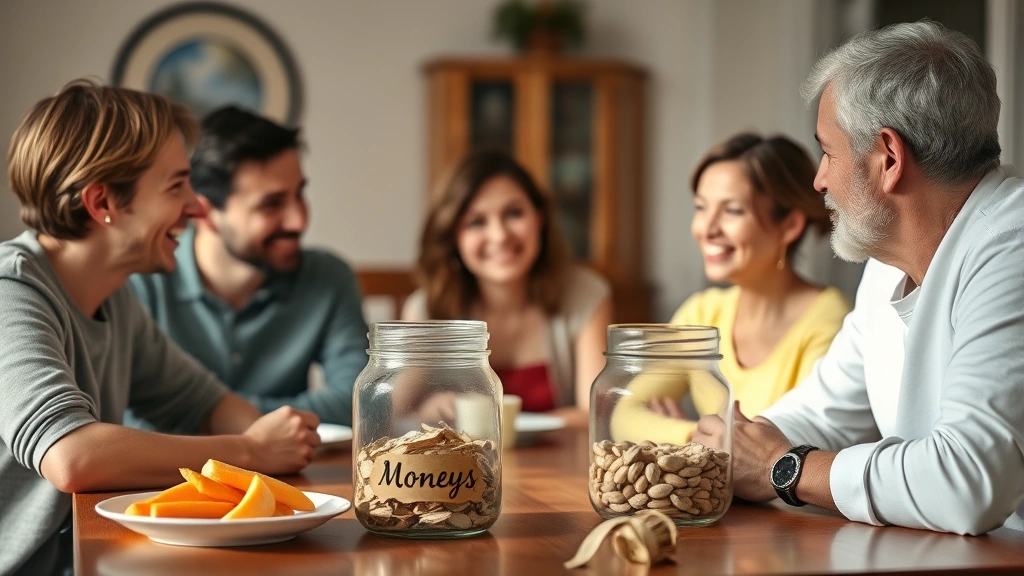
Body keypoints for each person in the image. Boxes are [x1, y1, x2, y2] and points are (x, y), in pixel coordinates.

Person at [692, 21, 1024, 535]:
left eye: (828, 152)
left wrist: (785, 468)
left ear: (888, 157)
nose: (819, 180)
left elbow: (967, 481)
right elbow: (825, 413)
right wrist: (735, 447)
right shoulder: (887, 265)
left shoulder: (1012, 248)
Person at [0, 80, 320, 575]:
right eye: (176, 186)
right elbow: (72, 456)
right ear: (102, 203)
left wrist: (275, 441)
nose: (197, 206)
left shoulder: (114, 296)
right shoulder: (10, 292)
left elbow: (204, 403)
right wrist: (253, 451)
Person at [128, 106, 368, 428]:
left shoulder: (328, 277)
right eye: (272, 204)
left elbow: (359, 402)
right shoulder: (141, 281)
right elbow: (131, 420)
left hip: (288, 462)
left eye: (300, 194)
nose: (299, 220)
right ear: (205, 213)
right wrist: (239, 420)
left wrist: (216, 414)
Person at [613, 134, 852, 444]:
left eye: (733, 210)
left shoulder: (831, 319)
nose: (707, 228)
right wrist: (698, 439)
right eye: (701, 207)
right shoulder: (702, 313)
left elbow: (794, 444)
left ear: (790, 225)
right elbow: (624, 416)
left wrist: (692, 439)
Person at [401, 150, 612, 425]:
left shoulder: (586, 295)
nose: (499, 236)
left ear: (539, 218)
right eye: (476, 222)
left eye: (514, 213)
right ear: (453, 236)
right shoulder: (425, 310)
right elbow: (393, 415)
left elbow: (596, 414)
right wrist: (427, 410)